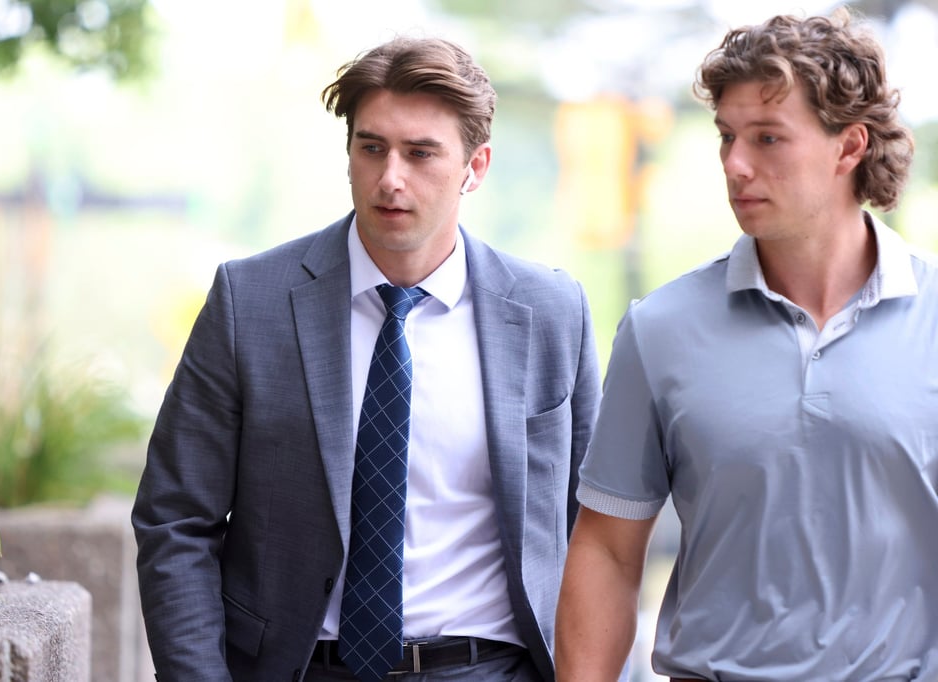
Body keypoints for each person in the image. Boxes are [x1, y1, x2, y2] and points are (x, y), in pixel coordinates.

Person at [132, 36, 609, 682]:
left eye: (421, 154)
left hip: (491, 668)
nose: (391, 178)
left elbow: (597, 539)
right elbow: (175, 519)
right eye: (372, 147)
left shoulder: (553, 312)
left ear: (476, 166)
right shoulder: (251, 303)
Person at [555, 8, 935, 682]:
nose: (735, 164)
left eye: (767, 138)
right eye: (727, 136)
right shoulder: (660, 329)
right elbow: (608, 552)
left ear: (849, 147)